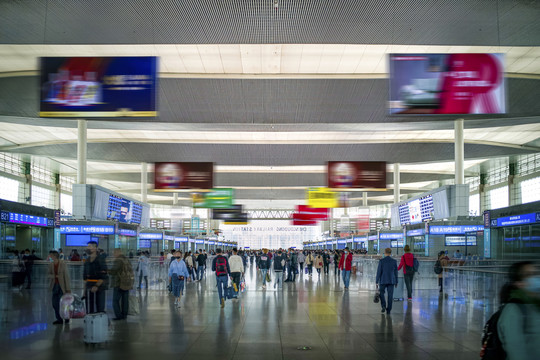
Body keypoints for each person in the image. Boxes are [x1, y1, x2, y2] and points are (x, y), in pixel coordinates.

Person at [497, 261, 540, 360]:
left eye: (536, 273)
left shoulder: (535, 305)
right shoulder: (513, 310)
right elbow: (516, 352)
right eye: (529, 275)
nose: (536, 278)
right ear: (519, 283)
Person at [83, 241, 108, 313]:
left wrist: (96, 286)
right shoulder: (87, 261)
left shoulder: (100, 259)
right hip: (89, 286)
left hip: (99, 287)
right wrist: (84, 290)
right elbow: (85, 277)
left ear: (95, 248)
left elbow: (104, 275)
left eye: (90, 246)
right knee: (89, 308)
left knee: (99, 308)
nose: (88, 248)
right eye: (88, 246)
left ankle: (100, 323)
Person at [108, 248, 133, 320]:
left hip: (118, 283)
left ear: (117, 252)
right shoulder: (126, 260)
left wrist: (107, 271)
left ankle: (118, 316)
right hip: (127, 282)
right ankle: (124, 315)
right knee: (125, 300)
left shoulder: (118, 260)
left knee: (115, 300)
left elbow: (114, 270)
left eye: (114, 253)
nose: (113, 254)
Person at [48, 250, 71, 324]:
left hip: (62, 286)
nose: (50, 257)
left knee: (64, 303)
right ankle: (59, 319)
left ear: (54, 256)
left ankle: (66, 317)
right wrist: (54, 276)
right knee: (55, 303)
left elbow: (66, 276)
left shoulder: (63, 264)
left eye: (51, 255)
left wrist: (68, 288)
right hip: (54, 286)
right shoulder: (51, 265)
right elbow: (48, 275)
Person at [376, 248, 398, 315]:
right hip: (391, 280)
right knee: (390, 295)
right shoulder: (394, 261)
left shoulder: (381, 261)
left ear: (385, 253)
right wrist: (396, 281)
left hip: (383, 280)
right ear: (390, 253)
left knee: (381, 293)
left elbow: (379, 272)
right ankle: (389, 310)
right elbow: (395, 272)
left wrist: (376, 281)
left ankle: (383, 306)